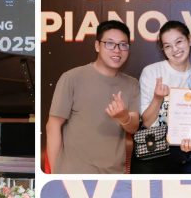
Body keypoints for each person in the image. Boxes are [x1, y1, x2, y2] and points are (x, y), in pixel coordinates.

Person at [46, 20, 140, 173]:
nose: (117, 50)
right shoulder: (72, 78)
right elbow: (53, 126)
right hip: (74, 175)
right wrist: (56, 174)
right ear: (97, 46)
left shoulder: (132, 84)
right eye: (110, 44)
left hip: (113, 176)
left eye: (123, 45)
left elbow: (134, 126)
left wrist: (124, 117)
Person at [132, 20, 191, 174]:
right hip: (154, 154)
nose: (175, 49)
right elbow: (146, 122)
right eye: (167, 46)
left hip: (189, 154)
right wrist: (157, 98)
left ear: (189, 40)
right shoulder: (152, 72)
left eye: (179, 42)